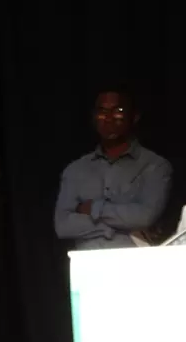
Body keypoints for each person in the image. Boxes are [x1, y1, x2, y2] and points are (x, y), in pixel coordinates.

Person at [54, 89, 173, 249]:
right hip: (87, 261)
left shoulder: (155, 165)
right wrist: (111, 228)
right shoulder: (75, 170)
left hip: (135, 260)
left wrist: (94, 208)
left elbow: (145, 217)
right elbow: (62, 225)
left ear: (134, 117)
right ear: (94, 118)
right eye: (102, 112)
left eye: (118, 111)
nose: (109, 118)